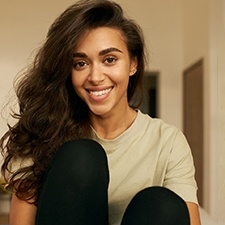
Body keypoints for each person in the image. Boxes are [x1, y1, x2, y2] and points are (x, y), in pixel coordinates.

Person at [0, 0, 201, 224]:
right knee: (81, 157)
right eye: (80, 63)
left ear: (133, 63)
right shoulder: (44, 132)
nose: (95, 77)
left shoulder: (168, 142)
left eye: (109, 60)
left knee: (163, 205)